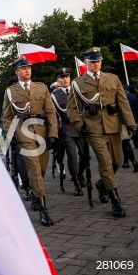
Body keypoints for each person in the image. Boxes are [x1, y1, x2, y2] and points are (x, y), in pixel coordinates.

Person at [67, 47, 136, 218]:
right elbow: (72, 108)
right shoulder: (77, 83)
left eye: (98, 61)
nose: (96, 64)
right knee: (105, 162)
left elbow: (122, 103)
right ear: (86, 63)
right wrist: (79, 123)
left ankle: (102, 185)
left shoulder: (112, 78)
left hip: (113, 126)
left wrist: (130, 123)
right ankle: (115, 200)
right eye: (92, 61)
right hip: (93, 128)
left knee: (117, 161)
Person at [2, 57, 58, 226]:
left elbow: (50, 113)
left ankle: (35, 192)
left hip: (42, 131)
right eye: (23, 68)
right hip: (23, 132)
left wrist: (53, 134)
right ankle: (43, 209)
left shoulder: (41, 88)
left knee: (40, 169)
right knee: (33, 167)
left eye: (29, 68)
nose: (27, 70)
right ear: (16, 72)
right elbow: (7, 117)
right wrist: (10, 136)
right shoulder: (10, 92)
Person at [50, 67, 85, 195]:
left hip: (80, 127)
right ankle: (76, 182)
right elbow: (53, 115)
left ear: (70, 78)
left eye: (67, 77)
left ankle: (80, 174)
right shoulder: (54, 96)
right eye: (62, 77)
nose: (65, 79)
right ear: (58, 80)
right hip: (66, 129)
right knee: (72, 156)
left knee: (85, 156)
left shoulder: (77, 91)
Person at [121, 84, 138, 172]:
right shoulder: (132, 96)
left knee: (125, 143)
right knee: (126, 143)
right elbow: (137, 109)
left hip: (123, 122)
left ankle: (133, 161)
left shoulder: (117, 98)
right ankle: (126, 161)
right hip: (133, 120)